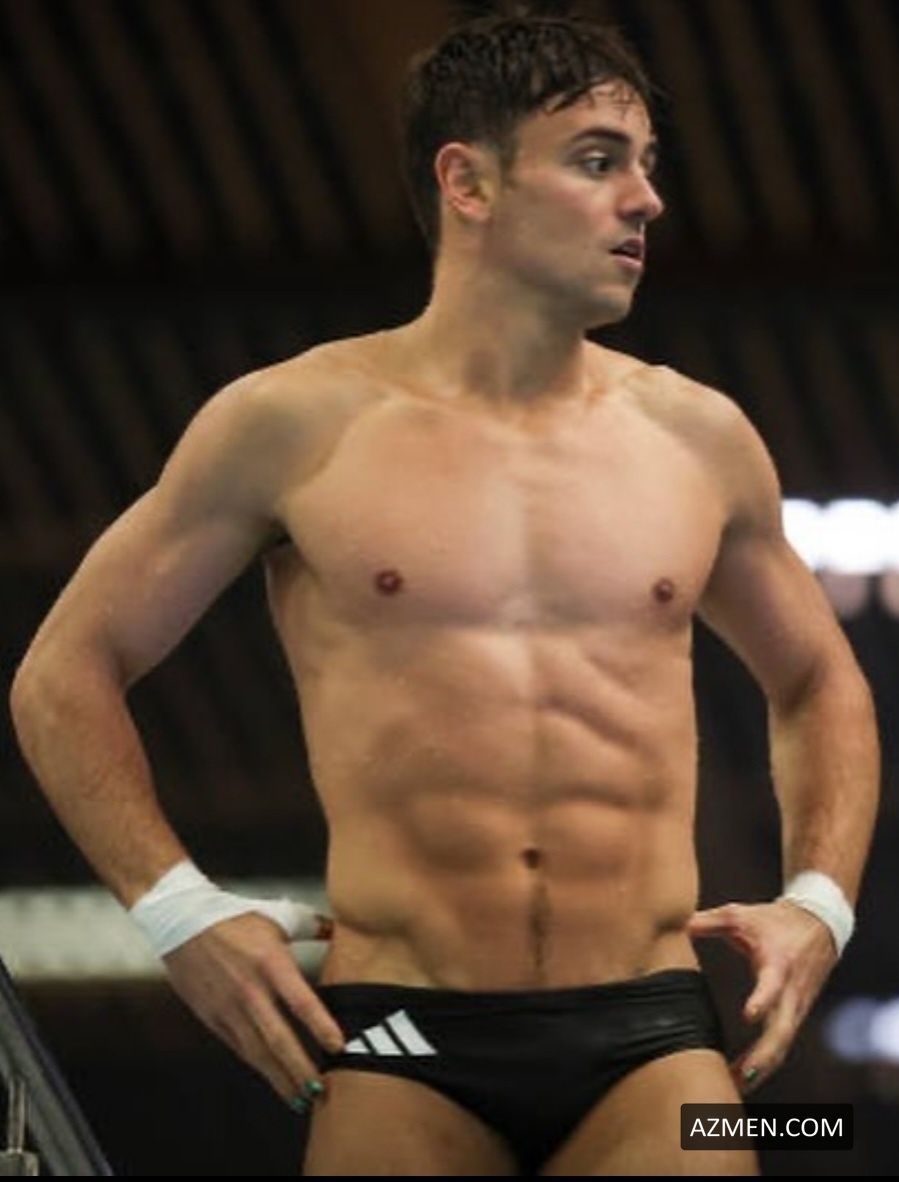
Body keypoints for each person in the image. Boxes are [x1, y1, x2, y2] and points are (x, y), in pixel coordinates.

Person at [9, 2, 880, 1176]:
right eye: (597, 161)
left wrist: (817, 904)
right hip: (395, 1037)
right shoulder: (290, 424)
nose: (646, 200)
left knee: (804, 1137)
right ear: (466, 182)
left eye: (645, 164)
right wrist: (178, 914)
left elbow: (818, 679)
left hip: (655, 1033)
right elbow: (62, 674)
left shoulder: (698, 437)